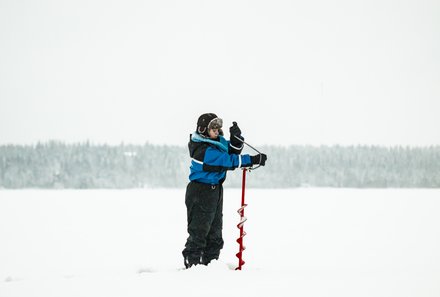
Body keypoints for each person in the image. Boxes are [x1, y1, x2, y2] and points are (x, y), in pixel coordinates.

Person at [182, 113, 267, 268]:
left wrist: (236, 140)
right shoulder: (201, 150)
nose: (216, 130)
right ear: (202, 130)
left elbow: (232, 151)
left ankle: (211, 267)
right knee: (199, 234)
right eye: (212, 128)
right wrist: (252, 160)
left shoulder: (217, 143)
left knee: (215, 236)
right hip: (200, 192)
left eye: (218, 127)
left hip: (215, 192)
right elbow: (227, 161)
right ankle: (192, 268)